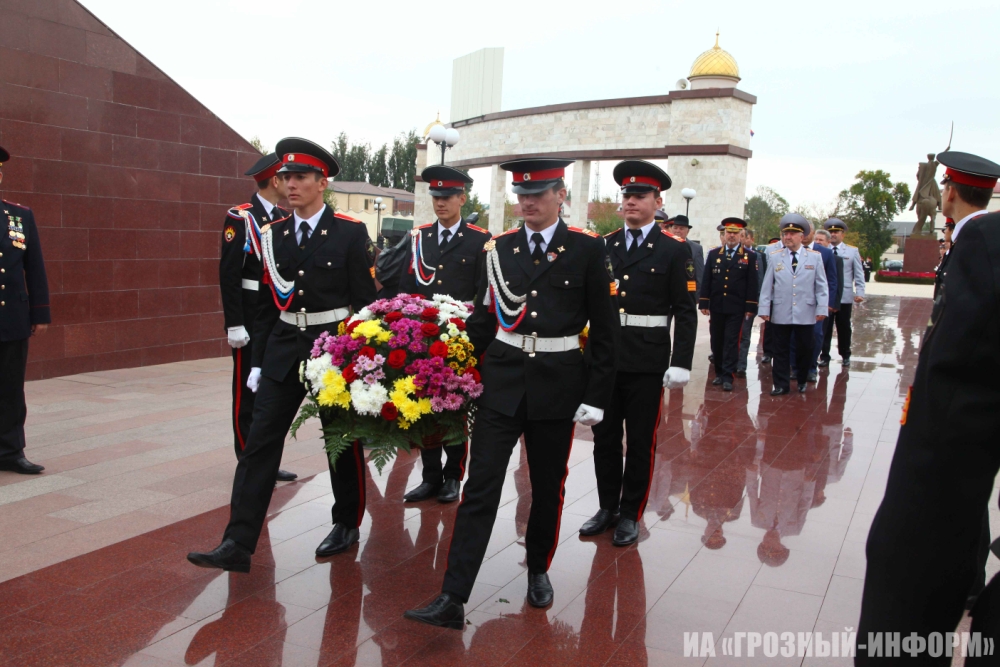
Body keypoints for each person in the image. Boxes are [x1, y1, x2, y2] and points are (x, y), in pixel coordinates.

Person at [403, 158, 619, 628]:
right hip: (502, 382)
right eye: (522, 195)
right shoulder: (499, 248)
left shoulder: (586, 248)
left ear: (560, 194)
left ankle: (538, 567)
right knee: (480, 486)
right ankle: (453, 595)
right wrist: (448, 371)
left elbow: (605, 330)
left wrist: (597, 395)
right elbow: (484, 320)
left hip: (558, 383)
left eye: (538, 194)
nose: (528, 202)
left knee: (546, 485)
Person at [188, 138, 377, 573]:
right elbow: (267, 304)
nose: (290, 184)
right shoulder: (272, 233)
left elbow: (366, 305)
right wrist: (257, 360)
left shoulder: (349, 232)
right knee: (260, 443)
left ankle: (346, 522)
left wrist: (362, 361)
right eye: (286, 177)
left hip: (332, 348)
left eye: (300, 177)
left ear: (321, 183)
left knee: (339, 441)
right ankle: (237, 542)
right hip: (283, 346)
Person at [857, 151, 1000, 666]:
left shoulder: (982, 241)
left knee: (909, 561)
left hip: (948, 454)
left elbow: (960, 366)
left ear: (950, 191)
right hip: (962, 457)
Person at [581, 160, 696, 546]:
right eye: (626, 195)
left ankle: (631, 512)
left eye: (639, 195)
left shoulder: (674, 249)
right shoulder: (604, 245)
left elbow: (685, 311)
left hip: (647, 360)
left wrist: (681, 362)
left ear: (657, 201)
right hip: (605, 360)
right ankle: (607, 507)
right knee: (604, 438)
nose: (630, 201)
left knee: (642, 441)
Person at [395, 165, 490, 504]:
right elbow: (407, 287)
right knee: (425, 405)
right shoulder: (420, 237)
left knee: (454, 407)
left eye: (447, 196)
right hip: (423, 335)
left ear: (462, 198)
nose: (440, 203)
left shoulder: (480, 240)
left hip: (460, 337)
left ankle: (453, 476)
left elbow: (484, 294)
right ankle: (430, 476)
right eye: (436, 196)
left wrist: (474, 339)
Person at [218, 153, 297, 482]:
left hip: (277, 316)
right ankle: (247, 457)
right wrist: (234, 323)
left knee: (271, 392)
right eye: (286, 177)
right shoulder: (241, 218)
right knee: (246, 392)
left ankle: (266, 458)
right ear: (275, 180)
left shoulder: (282, 218)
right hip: (250, 319)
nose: (291, 184)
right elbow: (229, 274)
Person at [0, 144, 50, 475]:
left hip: (12, 317)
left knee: (10, 388)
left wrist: (40, 313)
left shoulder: (19, 216)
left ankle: (10, 451)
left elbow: (34, 267)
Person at [757, 215, 828, 395]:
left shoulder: (814, 257)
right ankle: (781, 384)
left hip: (806, 310)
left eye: (791, 234)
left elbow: (821, 285)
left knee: (805, 348)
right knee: (780, 349)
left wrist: (822, 308)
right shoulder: (775, 257)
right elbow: (767, 285)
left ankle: (802, 379)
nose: (787, 237)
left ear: (801, 237)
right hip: (781, 310)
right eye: (785, 233)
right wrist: (764, 308)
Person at [699, 218, 758, 391]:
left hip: (736, 306)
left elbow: (752, 283)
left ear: (741, 235)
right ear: (724, 234)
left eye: (735, 233)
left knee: (731, 341)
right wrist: (704, 302)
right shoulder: (714, 254)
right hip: (717, 305)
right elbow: (707, 279)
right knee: (716, 340)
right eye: (728, 233)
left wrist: (750, 307)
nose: (731, 236)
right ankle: (718, 372)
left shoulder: (749, 256)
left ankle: (727, 375)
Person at [794, 226, 839, 382]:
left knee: (815, 336)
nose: (804, 235)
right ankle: (795, 367)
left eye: (806, 232)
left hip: (816, 303)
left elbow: (831, 280)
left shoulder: (825, 253)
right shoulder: (791, 251)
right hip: (795, 301)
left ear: (813, 233)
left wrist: (827, 304)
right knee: (794, 336)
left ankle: (811, 368)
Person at [820, 219, 864, 368]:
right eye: (830, 232)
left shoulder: (852, 251)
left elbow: (858, 274)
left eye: (836, 232)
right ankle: (824, 356)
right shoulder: (822, 251)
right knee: (825, 328)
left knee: (844, 327)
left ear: (842, 234)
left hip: (844, 296)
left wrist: (860, 292)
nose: (833, 234)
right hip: (826, 296)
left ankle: (845, 354)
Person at [735, 229, 763, 377]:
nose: (741, 239)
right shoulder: (731, 254)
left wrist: (755, 301)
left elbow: (759, 279)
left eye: (743, 236)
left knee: (745, 334)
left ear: (750, 239)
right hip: (733, 302)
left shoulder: (756, 256)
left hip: (748, 302)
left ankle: (741, 365)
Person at [667, 214, 703, 299]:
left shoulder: (696, 248)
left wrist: (696, 297)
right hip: (667, 294)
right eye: (675, 228)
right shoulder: (665, 245)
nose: (677, 231)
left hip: (686, 294)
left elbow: (699, 276)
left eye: (681, 228)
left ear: (688, 231)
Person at [933, 218, 955, 300]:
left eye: (946, 229)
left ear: (952, 231)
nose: (945, 232)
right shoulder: (948, 253)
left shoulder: (955, 253)